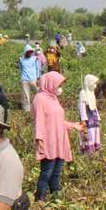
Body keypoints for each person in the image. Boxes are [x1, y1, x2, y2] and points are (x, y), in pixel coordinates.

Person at [32, 72, 85, 200]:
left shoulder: (53, 98)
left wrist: (74, 125)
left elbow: (58, 121)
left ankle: (56, 198)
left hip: (59, 140)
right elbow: (39, 121)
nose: (60, 88)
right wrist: (39, 139)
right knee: (47, 172)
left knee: (56, 173)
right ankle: (40, 199)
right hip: (48, 141)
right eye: (58, 85)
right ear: (50, 83)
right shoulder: (40, 99)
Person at [78, 75, 101, 154]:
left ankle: (94, 150)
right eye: (93, 83)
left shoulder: (92, 93)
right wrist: (84, 120)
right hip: (88, 119)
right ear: (89, 83)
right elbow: (82, 108)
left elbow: (94, 106)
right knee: (88, 134)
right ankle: (88, 152)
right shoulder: (83, 93)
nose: (95, 85)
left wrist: (97, 116)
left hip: (94, 118)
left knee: (95, 133)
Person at [18, 45, 41, 111]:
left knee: (39, 92)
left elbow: (38, 69)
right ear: (25, 52)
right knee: (25, 95)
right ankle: (26, 108)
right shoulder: (21, 59)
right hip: (24, 79)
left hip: (34, 79)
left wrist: (38, 78)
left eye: (31, 52)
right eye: (29, 52)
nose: (30, 53)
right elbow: (20, 68)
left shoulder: (35, 59)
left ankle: (39, 106)